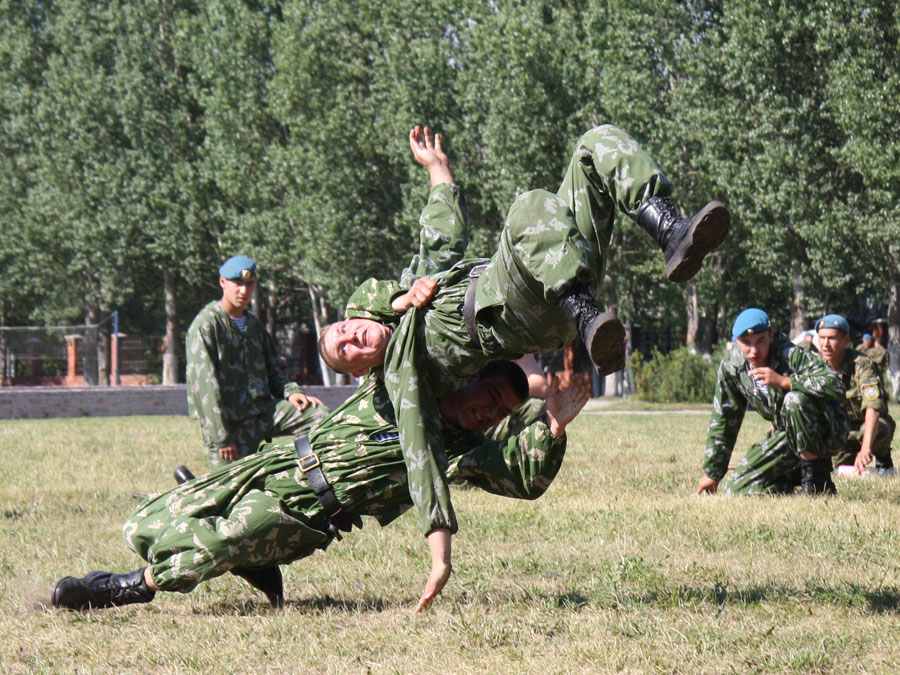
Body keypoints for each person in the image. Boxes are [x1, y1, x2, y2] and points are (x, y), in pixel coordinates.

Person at [50, 361, 589, 613]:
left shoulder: (456, 451)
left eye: (500, 411)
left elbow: (523, 476)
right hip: (272, 464)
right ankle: (251, 561)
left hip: (306, 511)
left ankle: (116, 589)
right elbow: (386, 318)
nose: (488, 411)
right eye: (489, 394)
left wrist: (556, 422)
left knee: (208, 546)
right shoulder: (399, 379)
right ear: (467, 376)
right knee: (143, 523)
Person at [185, 255, 328, 468]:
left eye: (249, 285)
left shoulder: (253, 325)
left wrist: (292, 392)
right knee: (231, 491)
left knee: (318, 415)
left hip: (262, 413)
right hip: (230, 425)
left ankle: (299, 471)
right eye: (238, 284)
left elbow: (274, 370)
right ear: (222, 282)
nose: (243, 291)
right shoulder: (207, 325)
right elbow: (205, 387)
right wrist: (222, 437)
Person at [696, 308, 848, 496]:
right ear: (737, 342)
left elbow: (836, 385)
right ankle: (790, 478)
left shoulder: (790, 353)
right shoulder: (732, 366)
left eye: (760, 341)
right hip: (787, 434)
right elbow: (724, 418)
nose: (753, 351)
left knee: (795, 399)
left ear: (771, 335)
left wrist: (786, 382)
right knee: (737, 490)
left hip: (827, 431)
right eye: (746, 343)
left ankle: (816, 482)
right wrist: (714, 473)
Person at [816, 314, 895, 475]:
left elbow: (873, 407)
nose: (826, 344)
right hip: (840, 430)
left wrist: (866, 449)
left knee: (879, 428)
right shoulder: (815, 367)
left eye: (832, 338)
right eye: (822, 338)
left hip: (866, 425)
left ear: (846, 339)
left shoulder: (862, 365)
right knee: (839, 470)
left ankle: (883, 460)